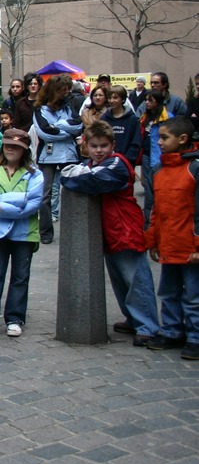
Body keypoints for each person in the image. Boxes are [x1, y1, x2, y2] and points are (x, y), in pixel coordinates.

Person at [60, 121, 160, 347]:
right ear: (86, 145)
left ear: (112, 145)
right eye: (94, 146)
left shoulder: (117, 164)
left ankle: (148, 326)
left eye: (103, 146)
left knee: (136, 281)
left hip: (125, 228)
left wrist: (75, 176)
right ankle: (133, 319)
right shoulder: (93, 163)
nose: (99, 150)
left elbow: (92, 181)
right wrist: (75, 176)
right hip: (109, 231)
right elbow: (71, 178)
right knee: (119, 281)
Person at [0, 129, 44, 338]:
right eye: (8, 146)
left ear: (24, 149)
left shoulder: (35, 173)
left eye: (16, 147)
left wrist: (3, 205)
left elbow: (34, 202)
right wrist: (19, 200)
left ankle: (15, 318)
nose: (11, 150)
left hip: (25, 233)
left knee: (20, 276)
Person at [142, 116, 199, 359]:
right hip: (168, 243)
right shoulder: (159, 170)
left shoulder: (194, 169)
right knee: (168, 291)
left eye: (165, 137)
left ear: (183, 139)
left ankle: (195, 336)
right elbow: (156, 211)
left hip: (189, 246)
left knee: (194, 295)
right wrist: (152, 241)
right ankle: (172, 331)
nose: (160, 142)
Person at [33, 74, 83, 245]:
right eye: (62, 90)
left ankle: (76, 228)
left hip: (69, 154)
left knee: (74, 191)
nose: (66, 92)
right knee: (44, 194)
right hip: (47, 156)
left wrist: (58, 126)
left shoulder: (69, 106)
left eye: (67, 89)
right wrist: (65, 128)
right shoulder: (40, 109)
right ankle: (46, 231)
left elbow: (78, 126)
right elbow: (45, 132)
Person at [140, 89, 173, 225]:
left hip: (161, 157)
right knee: (149, 191)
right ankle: (149, 222)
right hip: (147, 156)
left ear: (158, 102)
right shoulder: (144, 117)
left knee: (162, 190)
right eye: (146, 100)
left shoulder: (168, 118)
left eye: (150, 100)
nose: (147, 102)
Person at [101, 85, 142, 164]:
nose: (112, 100)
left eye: (115, 98)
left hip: (126, 161)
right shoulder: (104, 118)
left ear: (123, 99)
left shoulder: (132, 119)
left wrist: (127, 159)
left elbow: (136, 141)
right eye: (110, 98)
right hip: (107, 161)